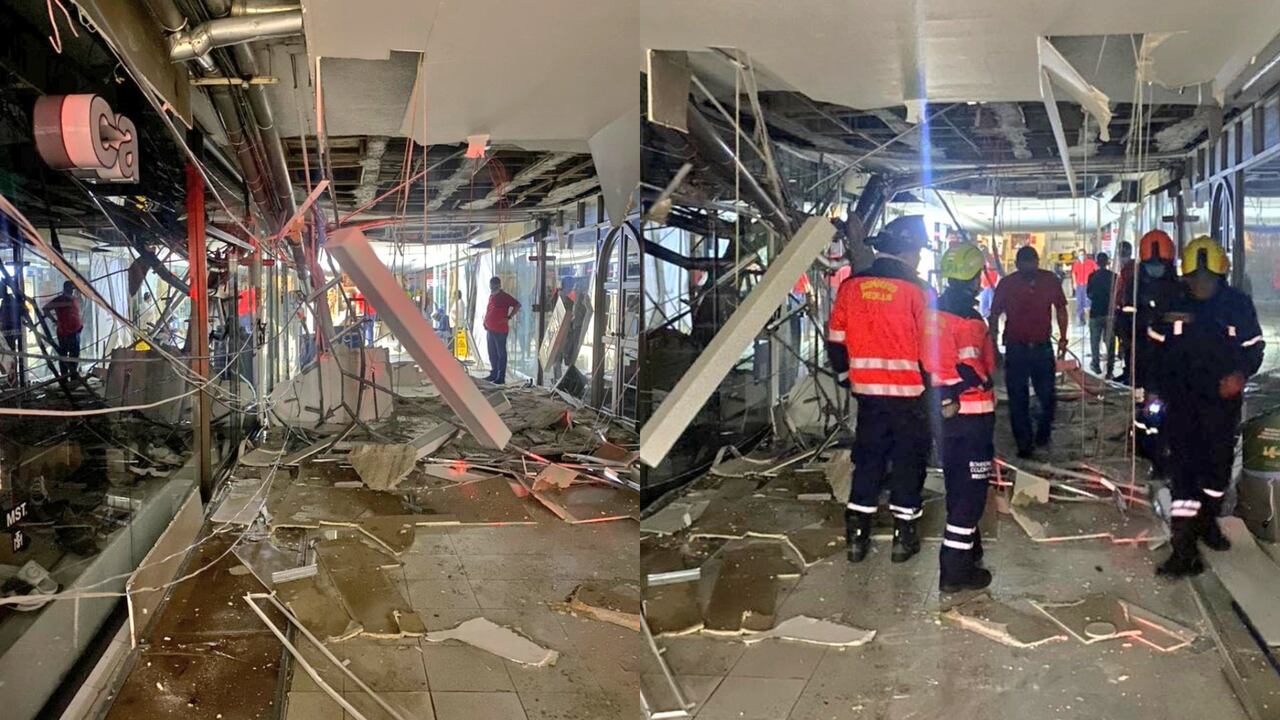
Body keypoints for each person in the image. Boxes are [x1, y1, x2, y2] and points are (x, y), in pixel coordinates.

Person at [1148, 237, 1264, 577]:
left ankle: (1207, 521)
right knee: (1183, 472)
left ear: (1219, 277)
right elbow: (1153, 350)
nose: (1201, 285)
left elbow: (1254, 347)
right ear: (1186, 276)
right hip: (1180, 403)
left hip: (1220, 405)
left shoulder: (1237, 306)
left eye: (1207, 279)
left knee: (1215, 471)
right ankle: (1183, 549)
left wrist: (1240, 374)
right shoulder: (1172, 302)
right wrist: (1152, 392)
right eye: (1195, 278)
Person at [827, 215, 932, 564]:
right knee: (907, 460)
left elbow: (836, 339)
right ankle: (904, 540)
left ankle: (857, 538)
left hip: (867, 394)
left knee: (869, 459)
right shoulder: (919, 291)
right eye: (917, 251)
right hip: (909, 395)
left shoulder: (851, 286)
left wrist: (845, 376)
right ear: (907, 250)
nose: (918, 258)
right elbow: (930, 349)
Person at [925, 243, 998, 592]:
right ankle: (954, 571)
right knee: (970, 496)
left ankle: (969, 552)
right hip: (972, 415)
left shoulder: (931, 312)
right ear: (973, 278)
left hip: (943, 416)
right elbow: (973, 367)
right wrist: (984, 377)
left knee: (957, 485)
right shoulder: (969, 322)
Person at [988, 246, 1068, 459]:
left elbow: (1061, 308)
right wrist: (993, 345)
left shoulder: (1049, 280)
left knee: (1048, 395)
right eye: (1024, 265)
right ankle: (1024, 443)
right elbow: (994, 315)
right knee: (1018, 398)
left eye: (1031, 264)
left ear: (1036, 262)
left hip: (1042, 347)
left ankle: (1042, 435)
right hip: (1016, 348)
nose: (1028, 268)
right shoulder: (1007, 284)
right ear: (1017, 264)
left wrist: (1063, 337)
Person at [1118, 230, 1182, 476]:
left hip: (1171, 361)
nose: (1156, 268)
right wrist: (1130, 344)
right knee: (1142, 406)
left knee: (1171, 409)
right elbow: (1126, 321)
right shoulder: (1134, 287)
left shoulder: (1178, 288)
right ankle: (1144, 448)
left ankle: (1168, 450)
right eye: (1152, 264)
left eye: (1160, 264)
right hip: (1143, 359)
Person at [483, 276, 521, 384]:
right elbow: (489, 310)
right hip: (490, 329)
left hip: (500, 330)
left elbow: (517, 305)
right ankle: (494, 373)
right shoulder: (491, 296)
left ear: (498, 285)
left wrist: (509, 317)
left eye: (493, 284)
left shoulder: (504, 296)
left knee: (501, 354)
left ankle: (501, 377)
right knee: (492, 353)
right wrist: (485, 322)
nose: (491, 287)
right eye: (491, 284)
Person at [42, 281, 83, 378]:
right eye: (71, 289)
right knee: (65, 356)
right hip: (65, 332)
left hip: (75, 331)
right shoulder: (60, 300)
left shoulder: (74, 299)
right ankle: (65, 377)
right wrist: (54, 320)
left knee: (74, 356)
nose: (72, 291)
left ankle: (73, 377)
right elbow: (45, 309)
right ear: (66, 289)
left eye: (73, 289)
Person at [1086, 252, 1117, 376]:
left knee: (1095, 340)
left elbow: (1089, 294)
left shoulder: (1092, 276)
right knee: (1110, 342)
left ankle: (1096, 364)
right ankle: (1110, 368)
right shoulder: (1114, 276)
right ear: (1107, 262)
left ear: (1097, 263)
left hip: (1096, 312)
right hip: (1110, 313)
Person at [1112, 241, 1136, 381]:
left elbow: (1124, 294)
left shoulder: (1131, 270)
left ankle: (1131, 374)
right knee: (1125, 345)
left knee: (1129, 345)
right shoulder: (1124, 270)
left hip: (1129, 316)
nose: (1122, 257)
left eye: (1123, 254)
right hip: (1123, 314)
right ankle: (1128, 372)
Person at [1070, 249, 1098, 324]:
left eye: (1082, 254)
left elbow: (1096, 271)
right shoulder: (1076, 264)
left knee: (1088, 302)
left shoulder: (1091, 263)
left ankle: (1090, 319)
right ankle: (1081, 319)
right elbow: (1073, 273)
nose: (1081, 256)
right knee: (1079, 302)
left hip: (1088, 285)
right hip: (1079, 285)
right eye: (1080, 255)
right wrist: (1074, 283)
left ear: (1085, 255)